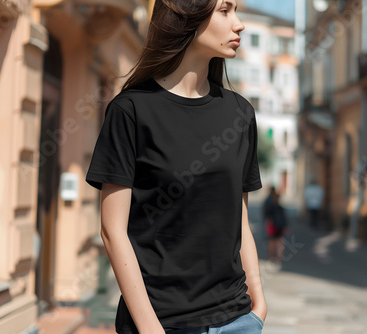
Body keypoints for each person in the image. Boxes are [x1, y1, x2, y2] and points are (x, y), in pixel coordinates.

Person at [85, 1, 267, 333]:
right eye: (225, 10)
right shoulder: (131, 111)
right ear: (186, 14)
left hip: (237, 320)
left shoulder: (240, 114)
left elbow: (239, 217)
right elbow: (113, 232)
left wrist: (258, 305)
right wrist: (150, 327)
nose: (239, 24)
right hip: (161, 323)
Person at [262, 187, 287, 263]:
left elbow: (266, 215)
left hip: (273, 225)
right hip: (280, 225)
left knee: (272, 241)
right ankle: (279, 256)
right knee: (279, 241)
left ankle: (272, 255)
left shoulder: (269, 204)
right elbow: (284, 218)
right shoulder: (280, 207)